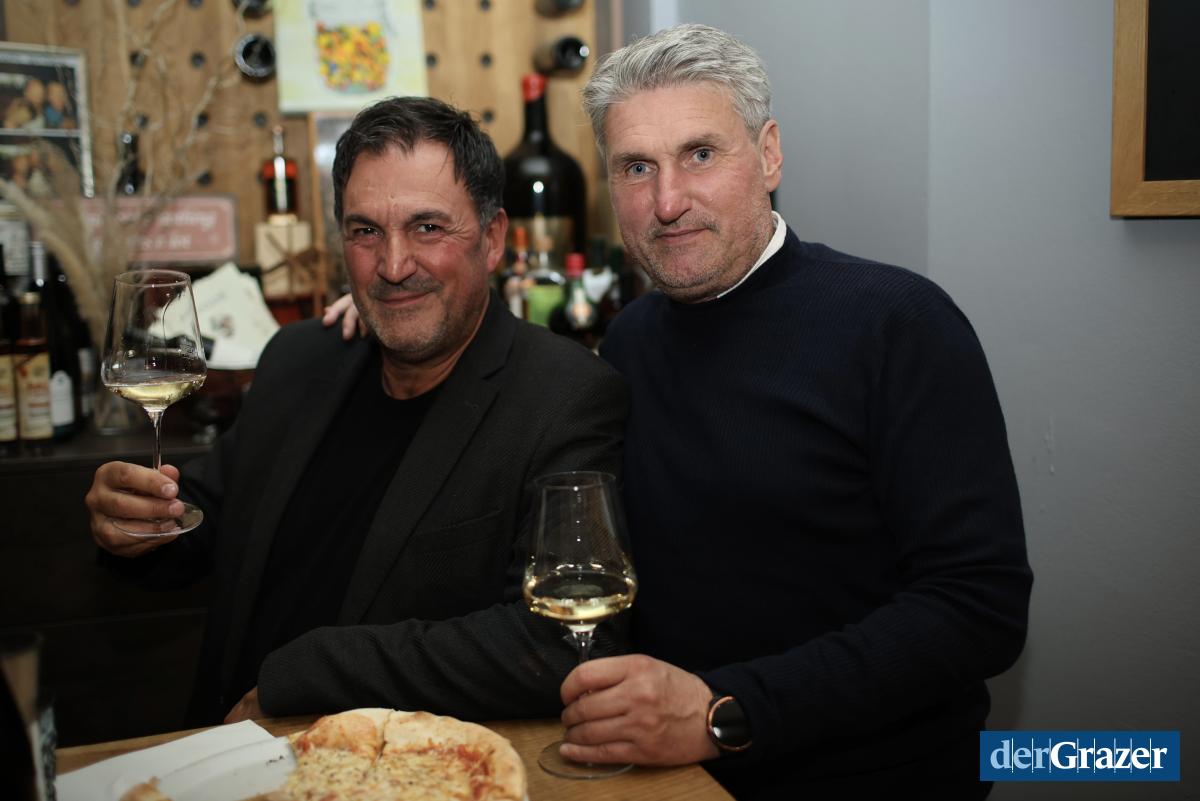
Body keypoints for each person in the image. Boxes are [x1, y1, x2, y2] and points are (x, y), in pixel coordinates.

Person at [553, 24, 1032, 799]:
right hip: (675, 776)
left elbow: (980, 607)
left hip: (875, 778)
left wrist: (725, 710)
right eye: (637, 167)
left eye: (699, 154)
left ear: (769, 154)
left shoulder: (898, 324)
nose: (667, 201)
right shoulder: (632, 339)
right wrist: (395, 322)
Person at [85, 96, 627, 727]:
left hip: (394, 763)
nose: (393, 266)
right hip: (224, 745)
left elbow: (559, 643)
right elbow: (216, 524)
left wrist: (302, 677)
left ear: (492, 239)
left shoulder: (563, 397)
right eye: (366, 231)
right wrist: (138, 523)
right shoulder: (299, 359)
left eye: (428, 228)